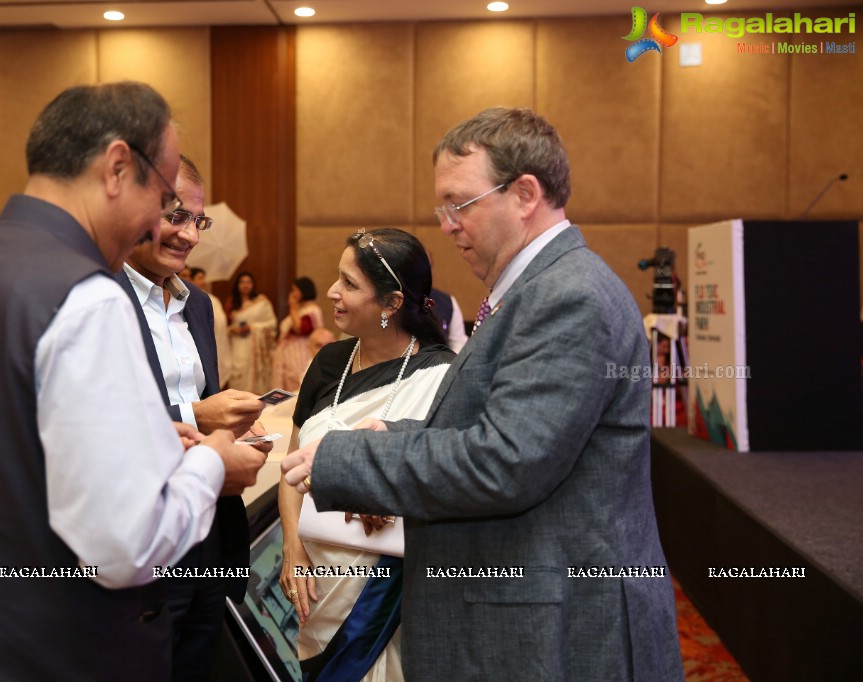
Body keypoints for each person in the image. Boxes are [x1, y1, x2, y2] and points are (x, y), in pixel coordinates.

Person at [0, 82, 266, 681]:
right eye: (164, 199)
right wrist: (211, 461)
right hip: (53, 654)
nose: (165, 227)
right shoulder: (85, 298)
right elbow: (125, 548)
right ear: (116, 169)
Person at [282, 107, 684, 681]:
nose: (447, 224)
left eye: (460, 204)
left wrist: (351, 456)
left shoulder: (567, 296)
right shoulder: (537, 290)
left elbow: (508, 461)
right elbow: (499, 428)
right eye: (442, 208)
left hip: (559, 626)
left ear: (525, 193)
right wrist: (394, 434)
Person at [117, 154, 269, 681]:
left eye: (197, 221)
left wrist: (234, 430)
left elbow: (206, 408)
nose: (189, 235)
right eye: (176, 216)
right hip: (138, 540)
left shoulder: (199, 305)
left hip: (208, 530)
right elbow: (91, 419)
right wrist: (195, 415)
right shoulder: (97, 297)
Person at [279, 229, 454, 681]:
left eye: (350, 284)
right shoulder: (329, 363)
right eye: (338, 278)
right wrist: (291, 549)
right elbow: (291, 466)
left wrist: (383, 489)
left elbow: (450, 482)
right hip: (316, 591)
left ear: (392, 303)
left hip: (390, 598)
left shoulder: (441, 377)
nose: (333, 292)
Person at [227, 271, 277, 394]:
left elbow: (272, 324)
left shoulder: (262, 302)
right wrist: (233, 329)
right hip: (237, 345)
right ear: (237, 285)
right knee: (237, 373)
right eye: (242, 282)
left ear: (253, 284)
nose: (245, 285)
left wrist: (252, 328)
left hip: (254, 346)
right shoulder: (232, 304)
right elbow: (227, 326)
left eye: (248, 282)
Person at [271, 277, 325, 392]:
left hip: (301, 354)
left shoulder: (312, 310)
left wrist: (292, 306)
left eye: (295, 290)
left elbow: (299, 328)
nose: (292, 294)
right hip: (288, 355)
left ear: (303, 290)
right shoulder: (301, 309)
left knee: (296, 386)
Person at [189, 266, 232, 388]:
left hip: (219, 342)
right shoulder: (188, 299)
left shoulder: (212, 299)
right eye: (200, 278)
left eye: (204, 278)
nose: (203, 281)